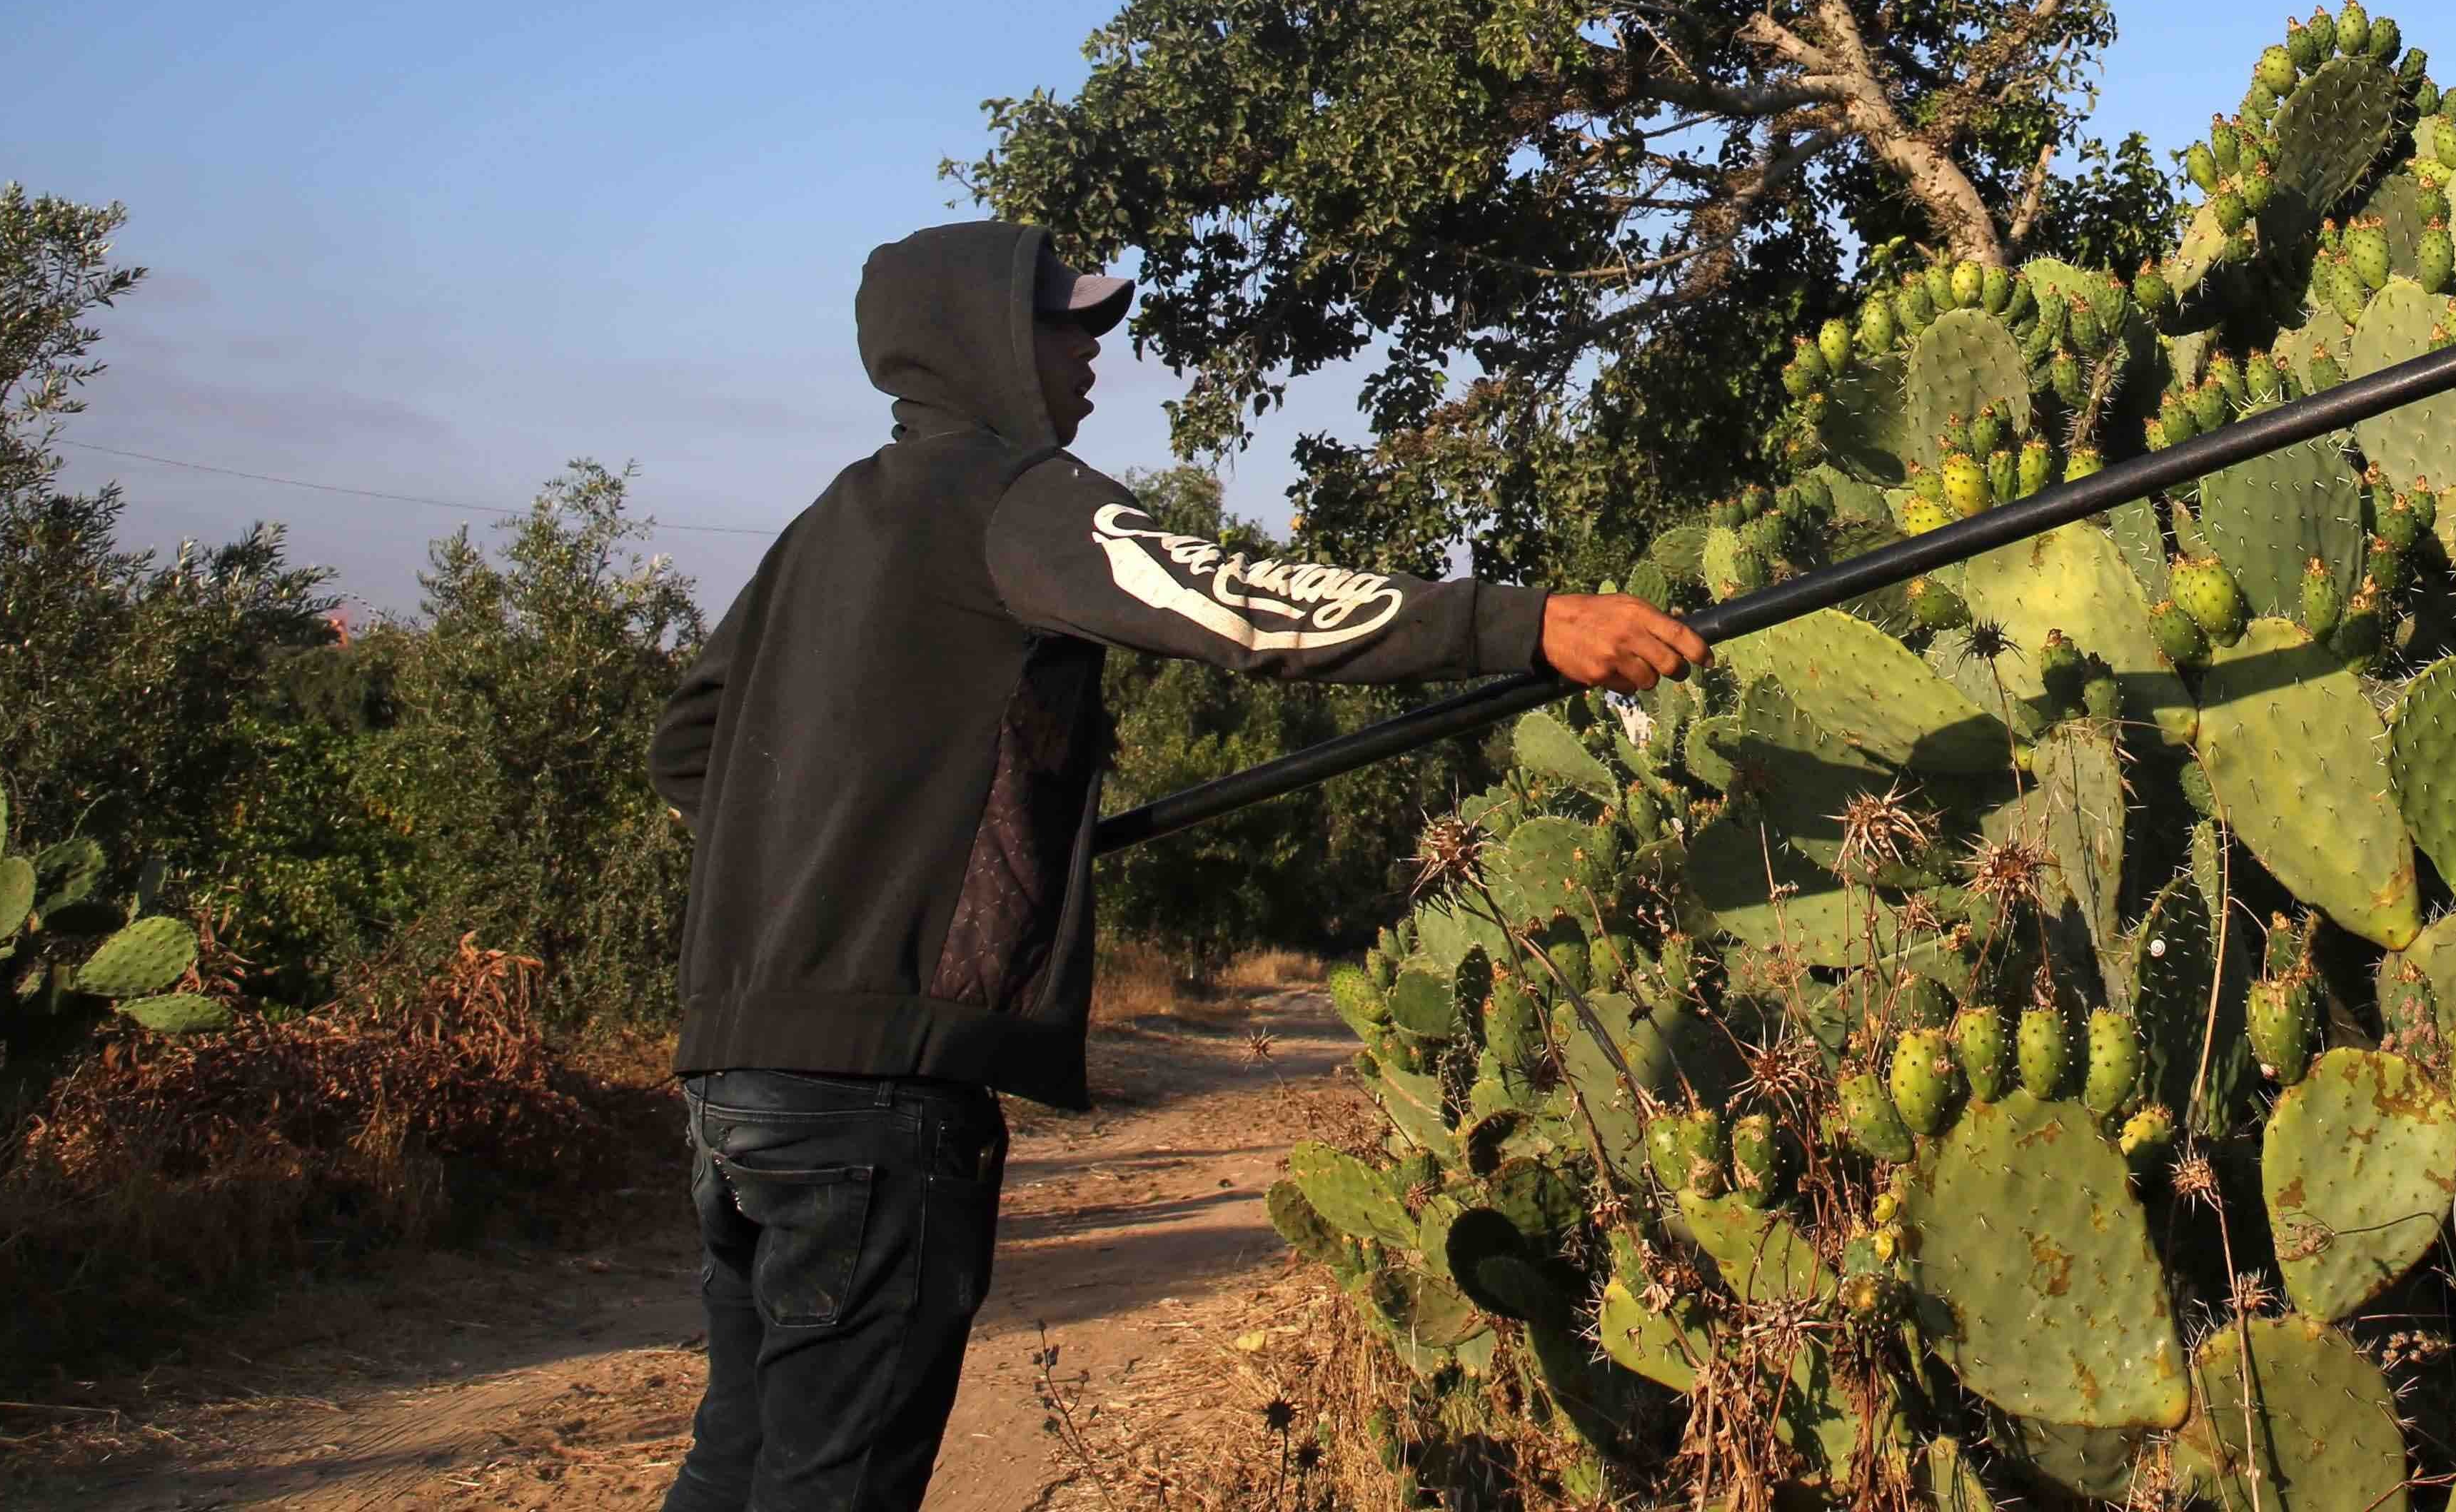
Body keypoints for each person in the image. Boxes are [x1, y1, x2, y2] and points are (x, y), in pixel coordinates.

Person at [645, 219, 1702, 1511]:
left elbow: (688, 743)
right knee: (832, 1483)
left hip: (735, 1081)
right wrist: (1525, 621)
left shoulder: (827, 526)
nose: (1094, 352)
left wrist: (867, 831)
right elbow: (1238, 606)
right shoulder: (1012, 495)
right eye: (1065, 323)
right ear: (985, 340)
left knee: (739, 1457)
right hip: (876, 1097)